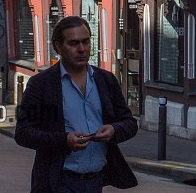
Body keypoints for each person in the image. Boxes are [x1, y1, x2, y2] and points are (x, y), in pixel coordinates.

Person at [14, 15, 138, 192]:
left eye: (86, 42)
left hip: (97, 181)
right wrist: (64, 140)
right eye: (73, 43)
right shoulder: (43, 84)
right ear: (58, 46)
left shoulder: (105, 80)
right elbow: (24, 133)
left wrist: (114, 130)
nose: (82, 49)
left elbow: (129, 123)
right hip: (59, 182)